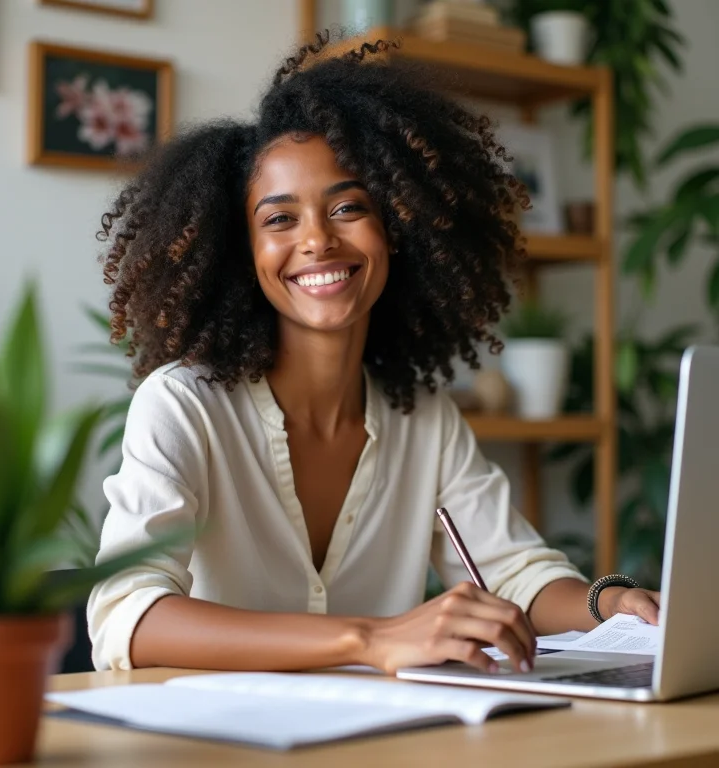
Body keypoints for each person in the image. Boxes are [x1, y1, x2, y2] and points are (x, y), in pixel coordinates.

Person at [87, 32, 660, 675]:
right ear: (240, 255)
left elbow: (517, 572)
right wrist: (369, 638)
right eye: (279, 220)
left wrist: (612, 605)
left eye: (348, 207)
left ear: (399, 227)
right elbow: (127, 616)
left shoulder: (424, 418)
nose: (317, 240)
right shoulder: (183, 405)